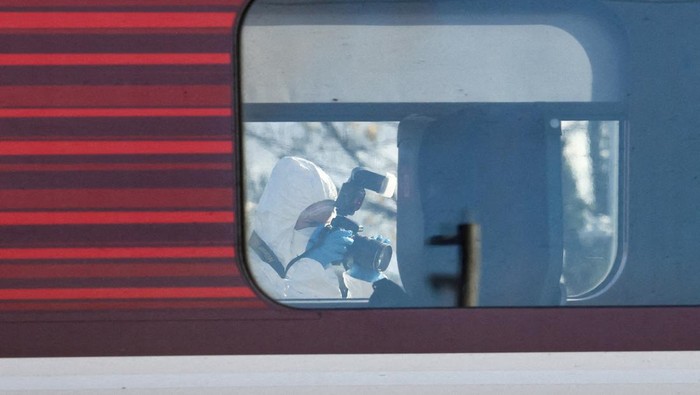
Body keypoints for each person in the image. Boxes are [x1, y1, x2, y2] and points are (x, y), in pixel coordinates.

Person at [247, 156, 379, 300]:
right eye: (313, 223)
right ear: (281, 221)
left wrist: (363, 285)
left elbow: (349, 321)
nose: (320, 234)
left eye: (327, 225)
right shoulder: (249, 274)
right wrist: (313, 267)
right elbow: (307, 318)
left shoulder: (304, 274)